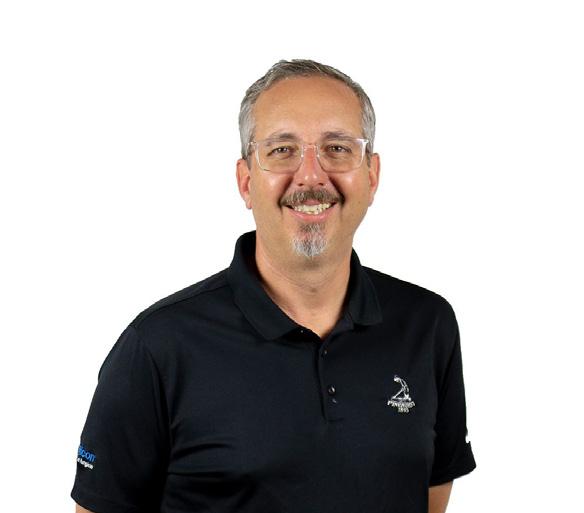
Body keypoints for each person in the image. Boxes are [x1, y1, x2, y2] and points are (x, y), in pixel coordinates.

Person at [72, 59, 476, 513]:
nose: (311, 175)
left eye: (338, 148)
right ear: (246, 182)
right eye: (283, 150)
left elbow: (428, 498)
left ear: (372, 176)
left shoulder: (428, 325)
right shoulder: (157, 348)